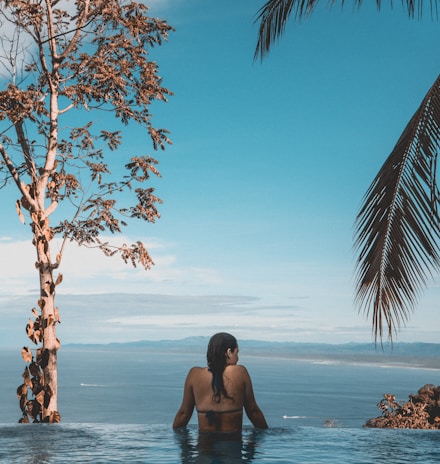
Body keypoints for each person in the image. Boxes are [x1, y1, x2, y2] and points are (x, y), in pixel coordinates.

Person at [173, 332, 268, 433]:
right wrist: (266, 433)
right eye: (237, 353)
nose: (238, 358)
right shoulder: (240, 372)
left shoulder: (194, 375)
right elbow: (253, 412)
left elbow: (184, 414)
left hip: (205, 445)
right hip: (232, 445)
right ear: (228, 352)